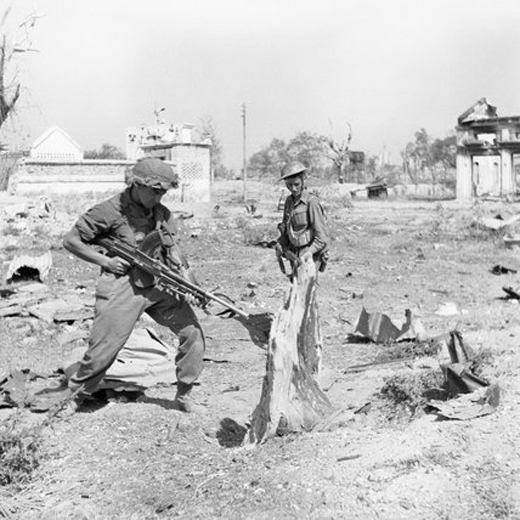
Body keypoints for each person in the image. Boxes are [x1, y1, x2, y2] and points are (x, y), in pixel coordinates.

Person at [62, 157, 206, 414]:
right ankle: (75, 395)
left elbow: (174, 251)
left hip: (156, 283)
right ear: (136, 184)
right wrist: (104, 261)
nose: (159, 196)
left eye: (163, 192)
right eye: (154, 191)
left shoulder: (162, 214)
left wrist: (189, 282)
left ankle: (185, 394)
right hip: (123, 285)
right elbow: (72, 240)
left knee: (192, 334)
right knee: (104, 349)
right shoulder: (108, 211)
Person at [275, 161, 329, 279]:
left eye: (296, 184)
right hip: (294, 252)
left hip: (310, 252)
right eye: (289, 185)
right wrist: (280, 244)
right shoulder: (289, 201)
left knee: (305, 291)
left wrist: (309, 253)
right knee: (295, 289)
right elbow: (286, 226)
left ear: (303, 180)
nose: (293, 188)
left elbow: (322, 237)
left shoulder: (311, 202)